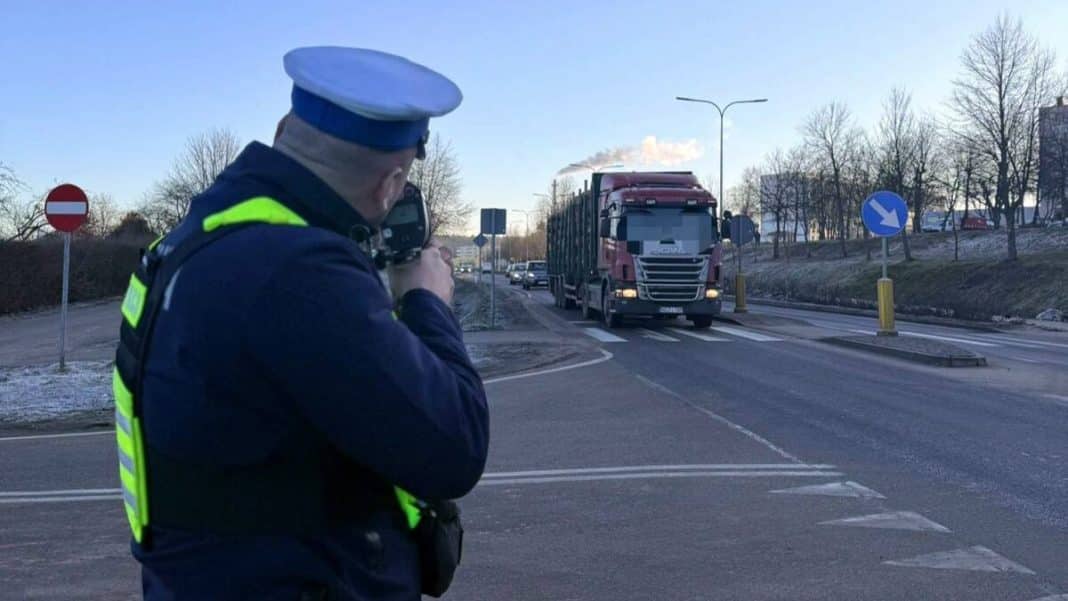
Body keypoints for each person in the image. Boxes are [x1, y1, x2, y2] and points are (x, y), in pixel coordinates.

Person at [112, 46, 489, 600]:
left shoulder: (211, 229)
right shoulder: (298, 270)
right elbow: (455, 448)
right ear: (390, 186)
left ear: (284, 126)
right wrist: (427, 301)